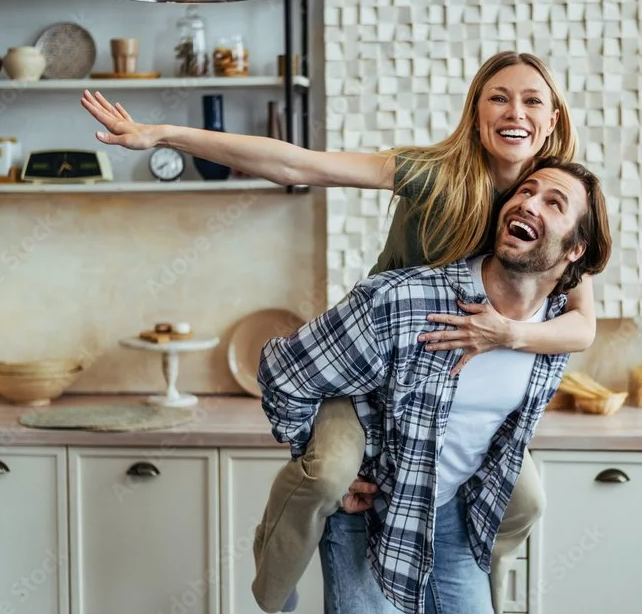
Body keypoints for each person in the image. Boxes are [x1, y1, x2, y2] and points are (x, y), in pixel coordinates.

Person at [79, 51, 599, 612]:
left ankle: (467, 567)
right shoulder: (433, 175)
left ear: (552, 120)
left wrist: (505, 334)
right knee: (329, 475)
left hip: (437, 391)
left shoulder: (560, 209)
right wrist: (163, 135)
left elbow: (582, 326)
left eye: (531, 100)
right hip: (369, 371)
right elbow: (299, 165)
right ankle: (277, 568)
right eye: (497, 97)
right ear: (476, 114)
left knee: (524, 496)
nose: (513, 111)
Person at [259, 158, 612, 614]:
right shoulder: (404, 300)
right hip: (368, 516)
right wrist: (324, 466)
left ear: (575, 250)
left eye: (553, 202)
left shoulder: (552, 332)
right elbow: (282, 373)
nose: (528, 203)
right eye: (525, 192)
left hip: (454, 513)